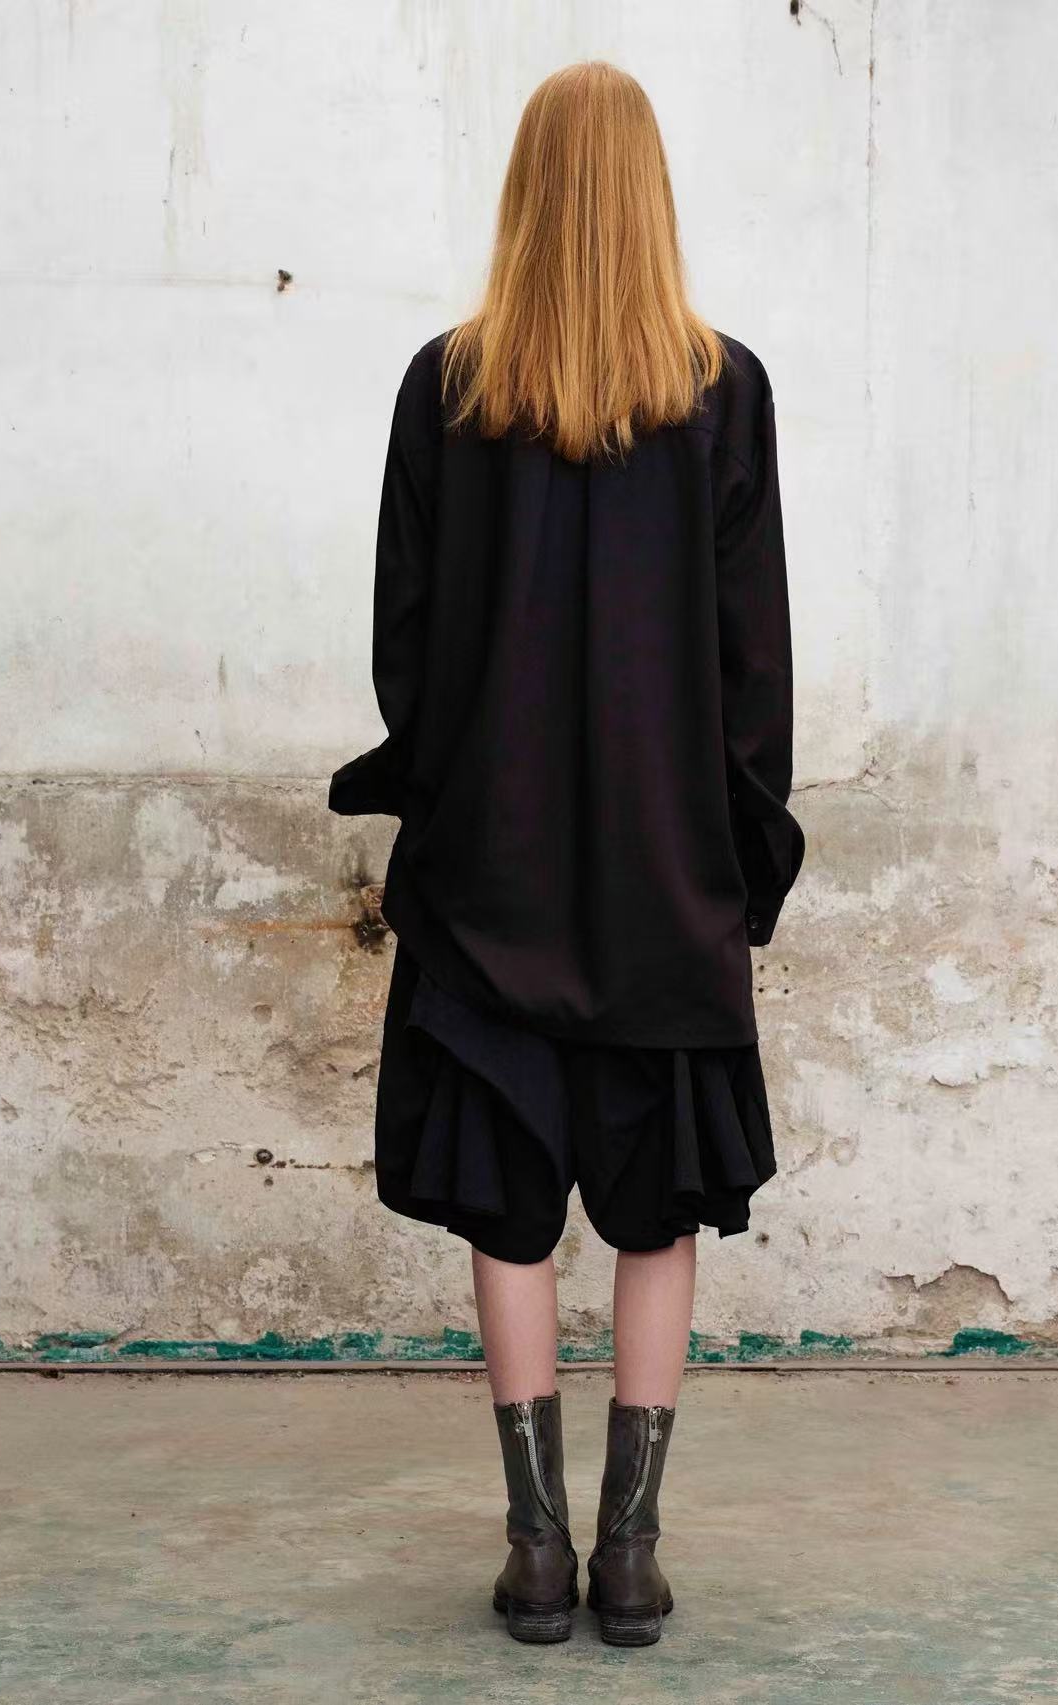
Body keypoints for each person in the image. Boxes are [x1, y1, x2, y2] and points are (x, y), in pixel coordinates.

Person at [330, 60, 804, 1648]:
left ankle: (536, 1548)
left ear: (526, 195)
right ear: (650, 197)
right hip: (667, 876)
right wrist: (742, 860)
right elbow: (753, 666)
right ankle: (632, 1552)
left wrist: (443, 809)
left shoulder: (444, 391)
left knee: (510, 1208)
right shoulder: (726, 392)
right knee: (657, 1214)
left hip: (493, 878)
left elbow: (405, 652)